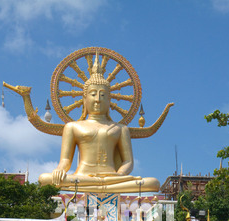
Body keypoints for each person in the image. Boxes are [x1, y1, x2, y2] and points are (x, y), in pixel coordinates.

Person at [38, 52, 160, 194]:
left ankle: (103, 185)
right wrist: (59, 171)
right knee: (44, 178)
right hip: (81, 177)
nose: (98, 99)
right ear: (84, 99)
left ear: (110, 100)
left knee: (153, 183)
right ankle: (101, 186)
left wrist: (120, 175)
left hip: (113, 178)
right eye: (93, 94)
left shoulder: (120, 129)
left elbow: (128, 162)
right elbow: (65, 160)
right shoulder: (72, 127)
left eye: (103, 95)